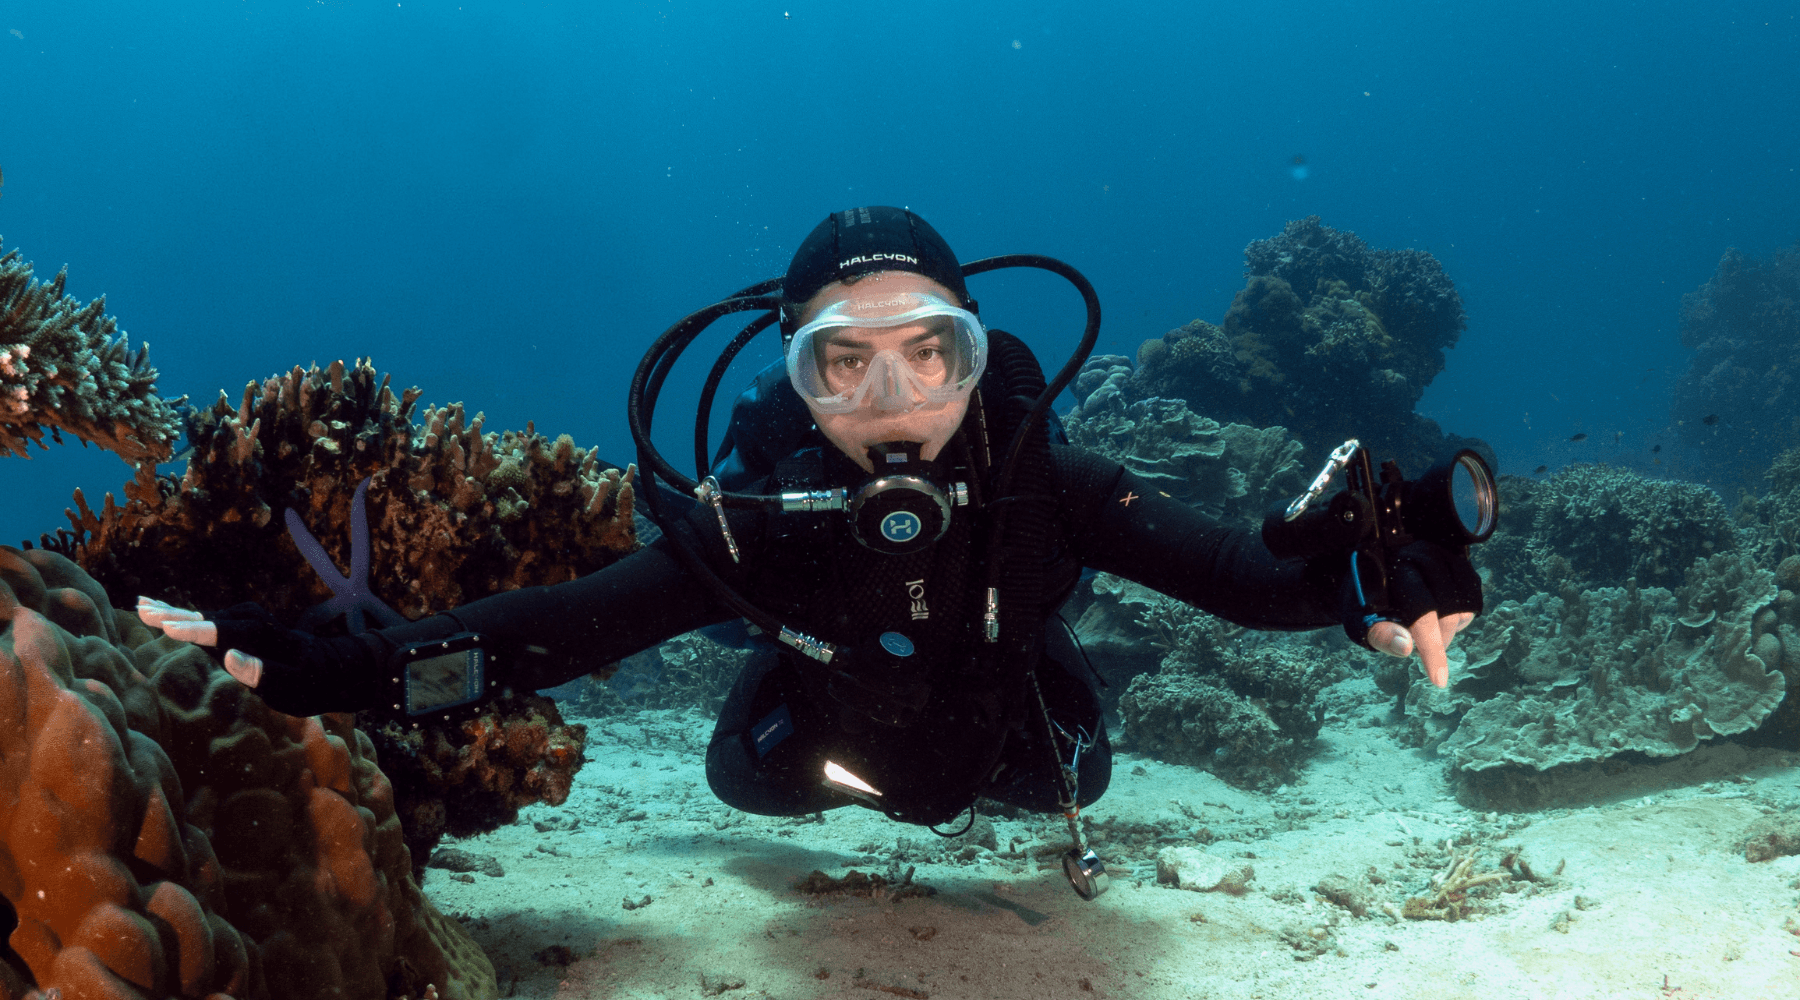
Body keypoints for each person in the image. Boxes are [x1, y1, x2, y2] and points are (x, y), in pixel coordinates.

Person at [137, 206, 1481, 838]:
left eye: (928, 355)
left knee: (1070, 774)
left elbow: (1246, 579)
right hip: (822, 729)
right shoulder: (757, 522)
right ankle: (804, 717)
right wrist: (338, 672)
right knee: (742, 783)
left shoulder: (1038, 480)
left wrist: (1369, 577)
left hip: (1013, 712)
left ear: (977, 355)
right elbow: (545, 640)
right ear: (796, 380)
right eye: (845, 363)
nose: (892, 399)